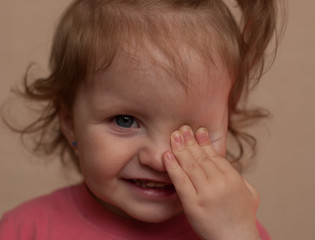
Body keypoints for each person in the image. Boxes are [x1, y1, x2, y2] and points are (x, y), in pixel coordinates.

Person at [0, 0, 282, 239]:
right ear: (69, 121)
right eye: (124, 120)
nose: (160, 159)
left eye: (190, 130)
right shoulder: (25, 230)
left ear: (227, 122)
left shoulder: (232, 229)